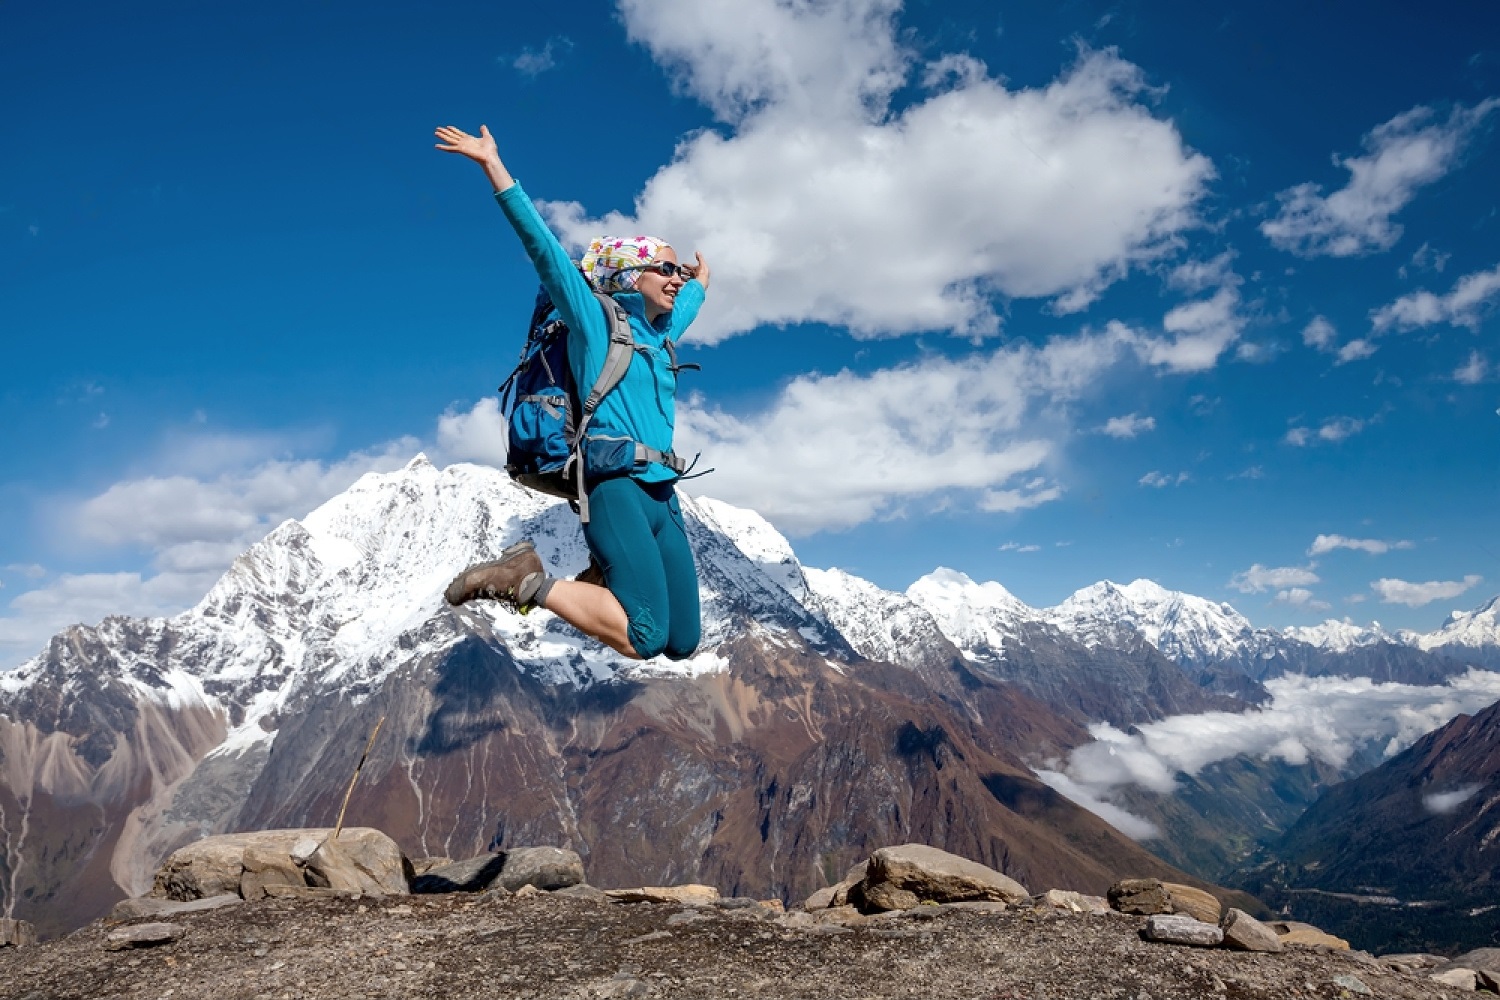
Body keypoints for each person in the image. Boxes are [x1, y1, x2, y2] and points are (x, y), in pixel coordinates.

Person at [434, 124, 707, 662]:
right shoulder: (595, 323)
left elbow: (692, 299)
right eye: (666, 268)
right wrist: (494, 166)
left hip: (662, 494)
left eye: (677, 270)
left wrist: (699, 279)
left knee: (683, 641)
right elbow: (544, 250)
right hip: (616, 487)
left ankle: (598, 577)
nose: (675, 279)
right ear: (629, 276)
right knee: (644, 635)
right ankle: (524, 579)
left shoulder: (660, 336)